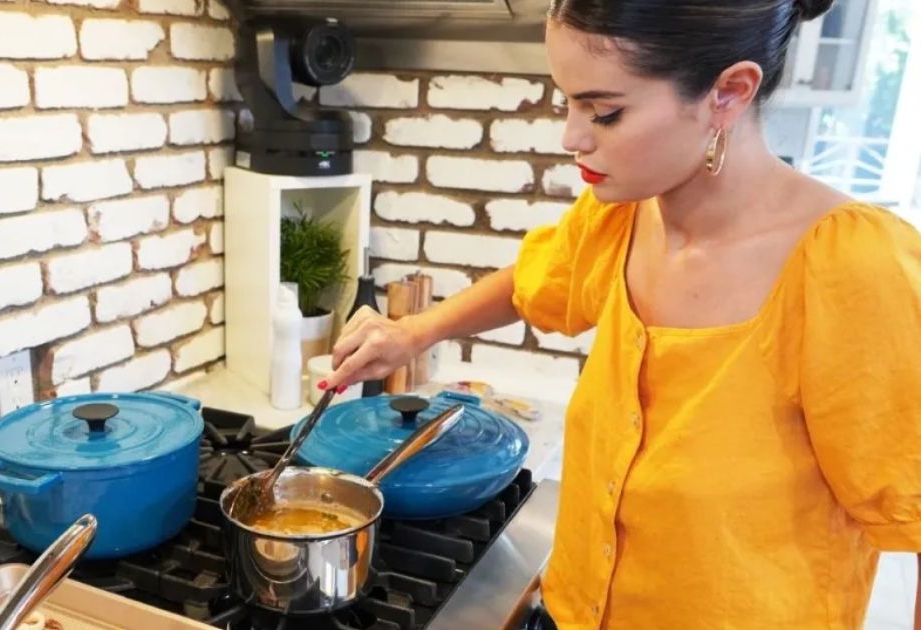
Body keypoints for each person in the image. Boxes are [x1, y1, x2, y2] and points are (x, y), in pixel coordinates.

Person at [320, 0, 921, 627]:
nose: (572, 137)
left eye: (605, 112)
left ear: (729, 92)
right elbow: (535, 282)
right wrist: (412, 332)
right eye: (568, 102)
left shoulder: (854, 266)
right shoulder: (626, 214)